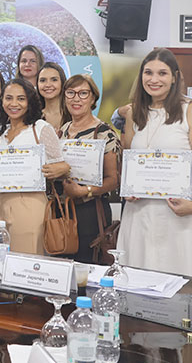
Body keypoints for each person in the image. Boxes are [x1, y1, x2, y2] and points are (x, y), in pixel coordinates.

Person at [117, 49, 192, 279]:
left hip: (182, 217)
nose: (154, 79)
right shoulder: (134, 113)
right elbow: (129, 159)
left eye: (162, 73)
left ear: (174, 77)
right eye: (148, 72)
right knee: (140, 285)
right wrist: (128, 188)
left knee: (186, 289)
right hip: (140, 216)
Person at [0, 78, 70, 254]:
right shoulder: (3, 132)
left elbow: (62, 166)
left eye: (21, 98)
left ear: (30, 101)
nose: (14, 103)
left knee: (28, 263)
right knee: (7, 263)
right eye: (9, 98)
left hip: (30, 204)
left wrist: (49, 170)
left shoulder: (40, 128)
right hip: (4, 204)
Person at [58, 74, 120, 264]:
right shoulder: (62, 130)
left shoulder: (104, 133)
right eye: (71, 93)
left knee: (86, 271)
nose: (76, 99)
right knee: (62, 268)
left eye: (83, 93)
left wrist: (84, 191)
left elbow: (113, 179)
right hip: (63, 212)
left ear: (93, 98)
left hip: (91, 212)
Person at [38, 62, 68, 130]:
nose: (48, 85)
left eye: (54, 80)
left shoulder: (74, 114)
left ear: (62, 82)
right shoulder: (32, 117)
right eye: (43, 80)